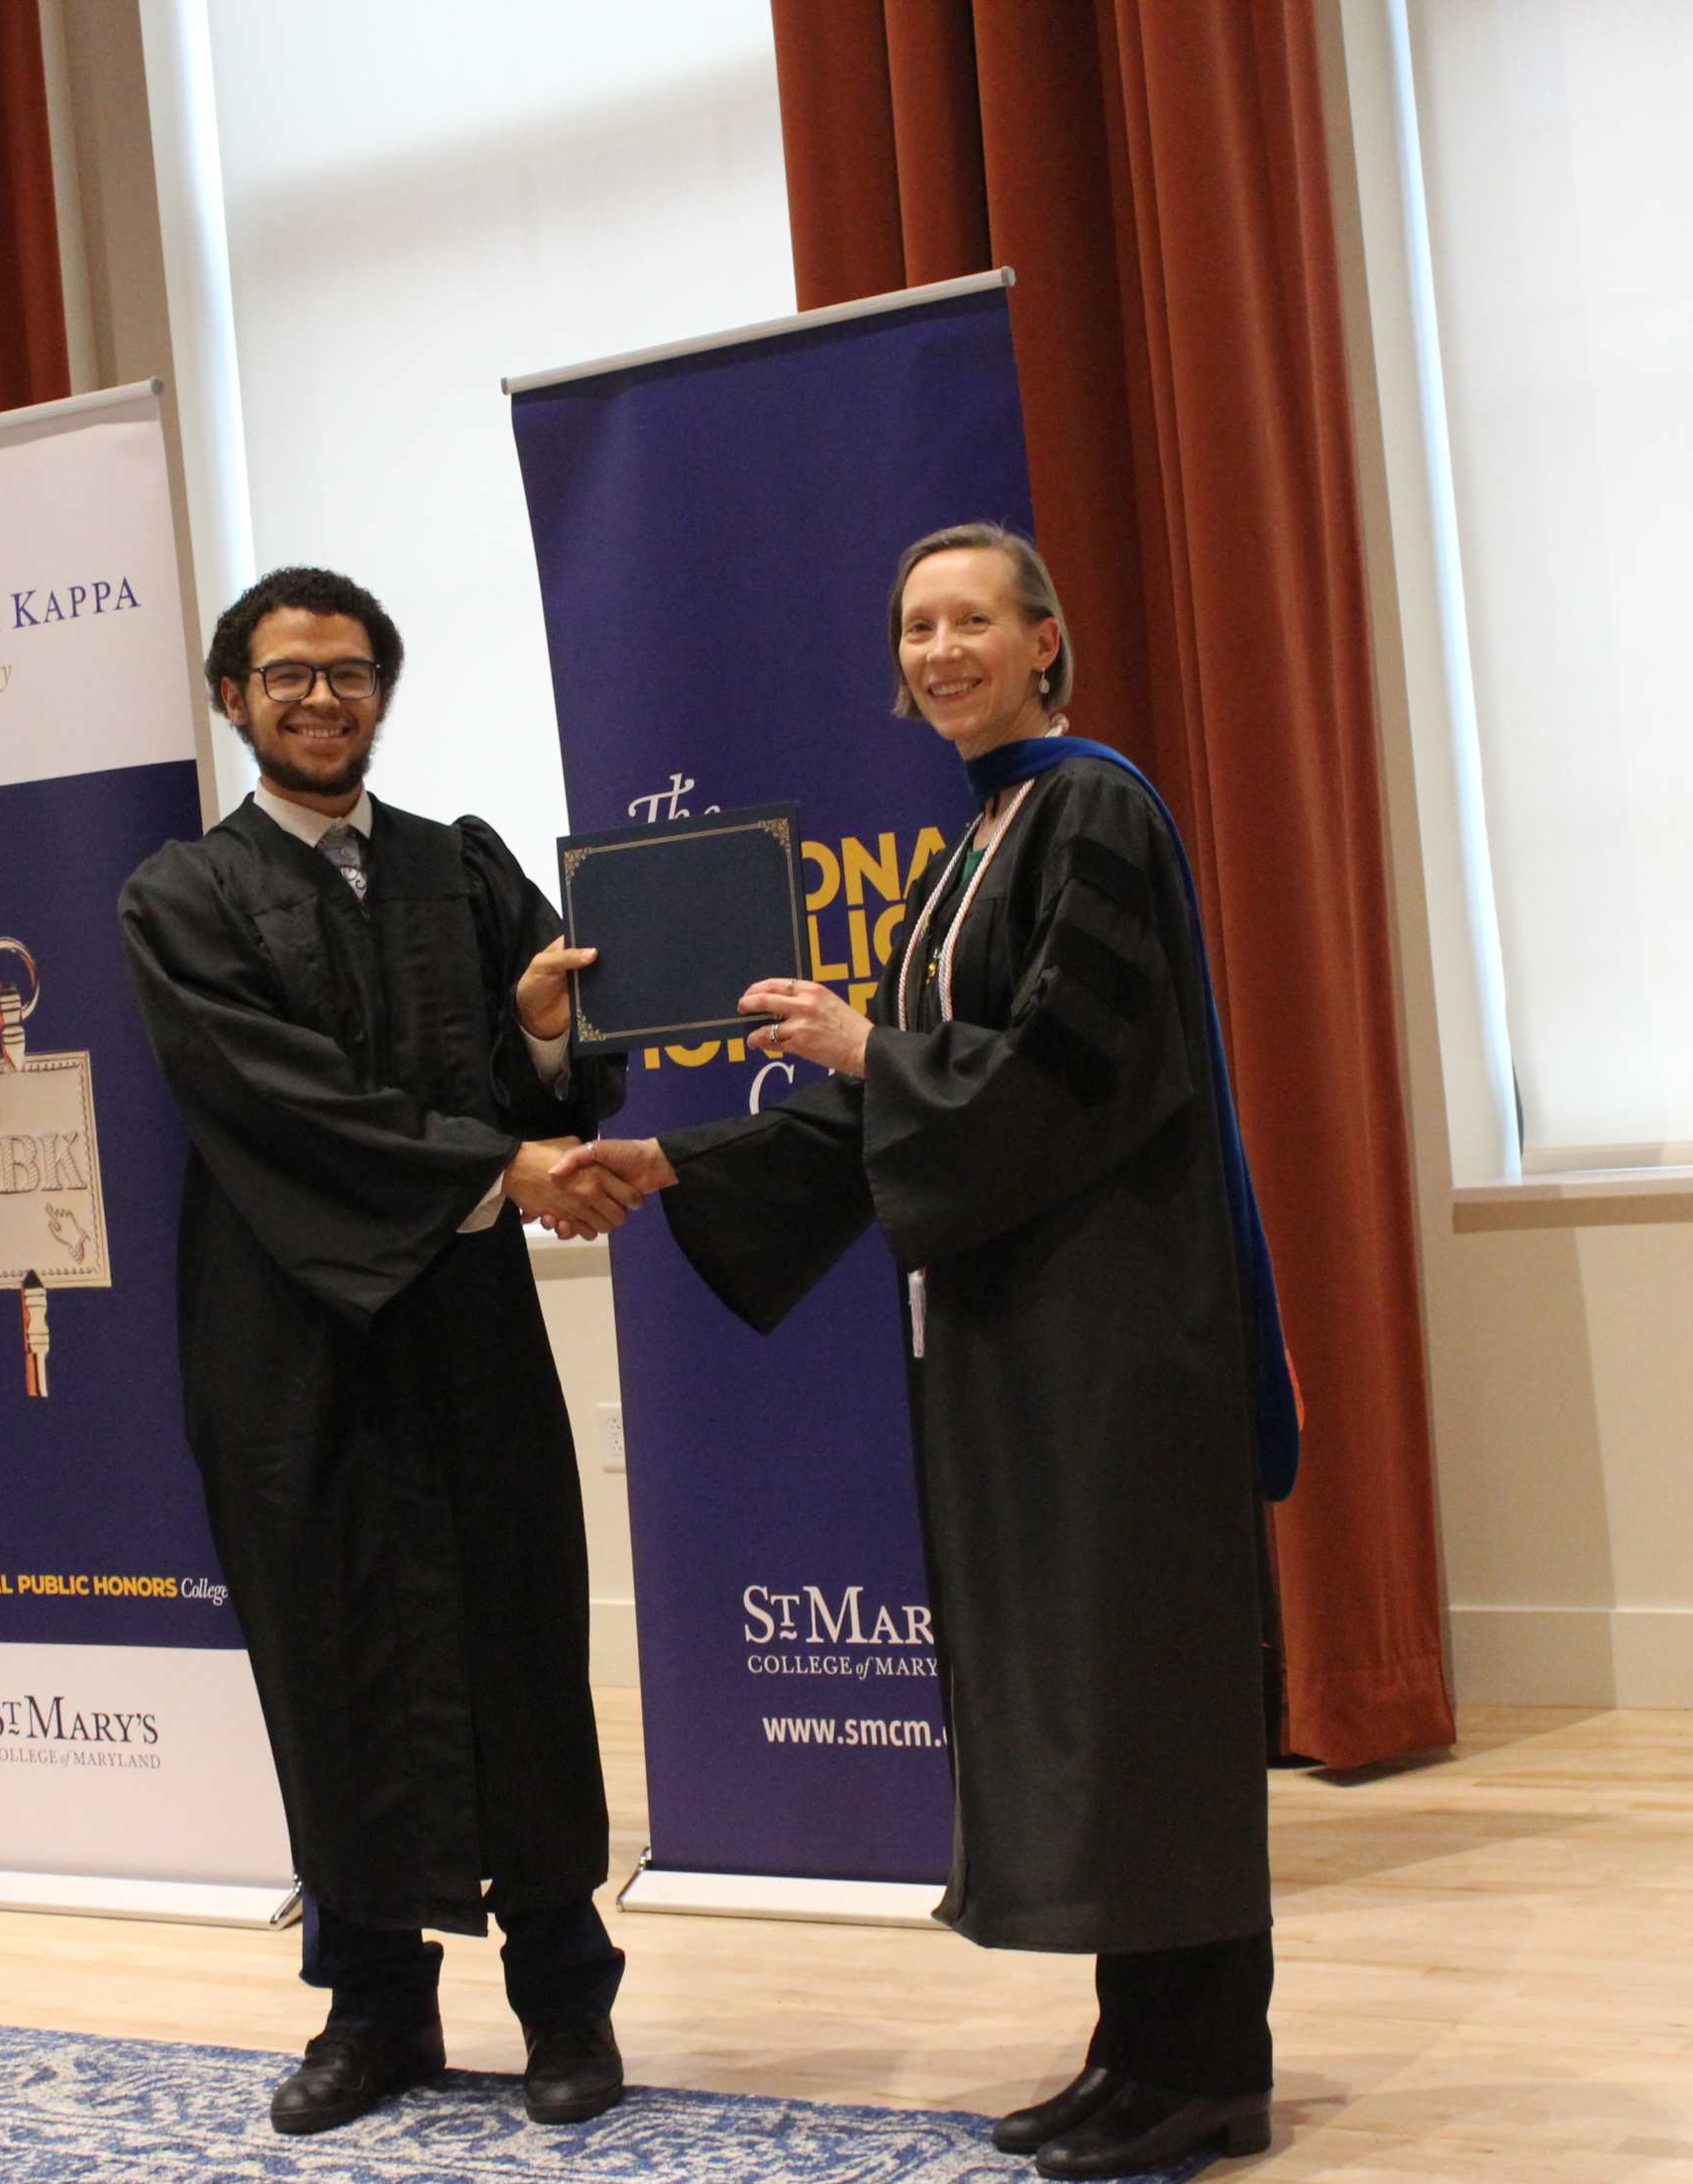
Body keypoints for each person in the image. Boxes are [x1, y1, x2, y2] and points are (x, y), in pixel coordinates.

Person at [557, 524, 1295, 2180]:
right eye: (916, 626)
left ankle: (1206, 2066)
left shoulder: (1092, 810)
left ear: (1047, 641)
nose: (942, 650)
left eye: (973, 620)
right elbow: (907, 1089)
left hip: (1116, 1347)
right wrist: (677, 1160)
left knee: (1145, 1699)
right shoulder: (983, 839)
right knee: (1093, 1699)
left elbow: (1066, 1077)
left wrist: (869, 1044)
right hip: (1026, 1346)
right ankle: (1137, 2050)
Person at [118, 566, 642, 2136]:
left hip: (468, 1336)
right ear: (234, 697)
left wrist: (538, 1029)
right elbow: (281, 1103)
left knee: (519, 1655)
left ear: (381, 693)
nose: (320, 697)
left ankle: (564, 1997)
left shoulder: (463, 868)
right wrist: (500, 1167)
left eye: (348, 672)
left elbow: (559, 1082)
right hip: (291, 1348)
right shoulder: (183, 897)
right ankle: (373, 2008)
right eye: (287, 674)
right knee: (328, 1661)